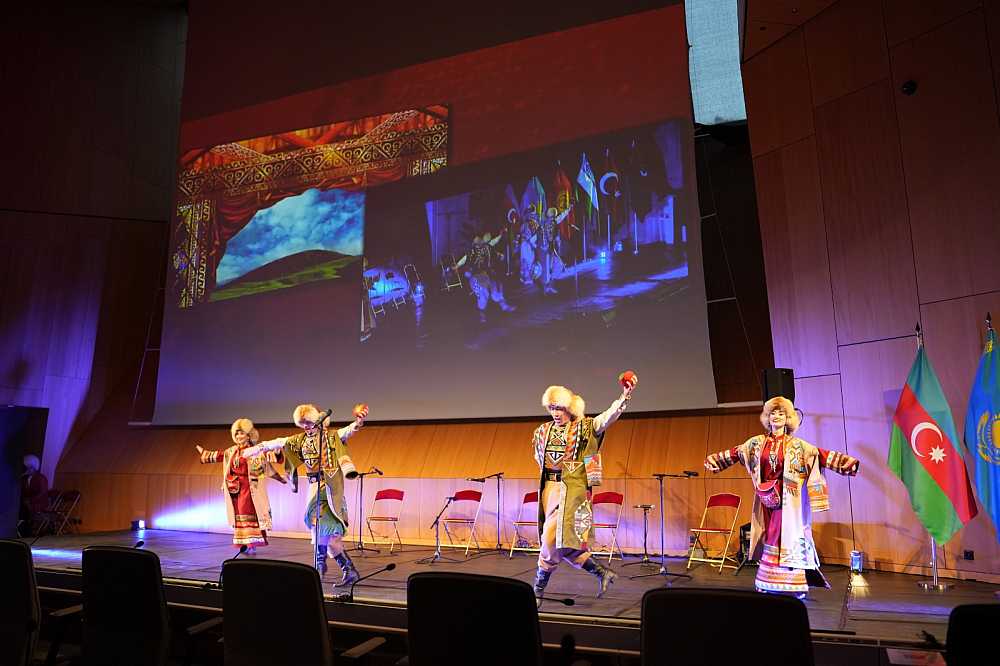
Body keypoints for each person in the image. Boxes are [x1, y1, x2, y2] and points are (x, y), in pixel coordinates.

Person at [703, 396, 860, 597]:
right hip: (766, 500)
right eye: (773, 413)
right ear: (767, 418)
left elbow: (819, 454)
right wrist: (716, 460)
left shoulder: (798, 445)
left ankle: (791, 584)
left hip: (789, 501)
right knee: (769, 535)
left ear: (788, 419)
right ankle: (767, 582)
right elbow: (737, 452)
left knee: (785, 537)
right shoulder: (756, 443)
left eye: (781, 413)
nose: (776, 416)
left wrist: (845, 463)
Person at [532, 374, 637, 600]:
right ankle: (602, 572)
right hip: (548, 489)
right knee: (565, 544)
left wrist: (624, 397)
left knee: (549, 541)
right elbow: (539, 458)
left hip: (570, 490)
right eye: (552, 408)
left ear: (569, 408)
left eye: (559, 408)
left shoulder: (586, 427)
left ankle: (537, 590)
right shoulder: (542, 430)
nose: (555, 413)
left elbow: (608, 417)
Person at [243, 403, 368, 586]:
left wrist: (358, 421)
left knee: (328, 534)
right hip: (314, 488)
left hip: (330, 489)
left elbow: (348, 431)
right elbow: (278, 442)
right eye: (303, 424)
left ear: (317, 421)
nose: (306, 427)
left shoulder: (331, 437)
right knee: (323, 535)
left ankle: (325, 568)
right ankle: (339, 569)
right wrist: (257, 449)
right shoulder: (300, 440)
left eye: (308, 423)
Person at [196, 419, 284, 553]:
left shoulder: (255, 451)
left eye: (241, 433)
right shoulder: (232, 451)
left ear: (249, 435)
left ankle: (251, 543)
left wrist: (277, 452)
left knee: (248, 513)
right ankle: (246, 543)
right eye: (236, 434)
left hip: (250, 488)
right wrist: (205, 454)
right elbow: (220, 455)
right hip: (235, 489)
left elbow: (271, 456)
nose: (238, 436)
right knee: (239, 515)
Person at [457, 232, 516, 323]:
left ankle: (504, 306)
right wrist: (458, 266)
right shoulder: (472, 252)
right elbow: (465, 261)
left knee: (496, 289)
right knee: (483, 293)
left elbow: (494, 244)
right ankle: (481, 314)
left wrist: (500, 255)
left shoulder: (488, 248)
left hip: (487, 276)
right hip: (475, 278)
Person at [19, 454, 49, 536]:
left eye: (30, 467)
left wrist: (30, 500)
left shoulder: (41, 478)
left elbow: (42, 493)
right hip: (28, 502)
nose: (28, 470)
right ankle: (23, 527)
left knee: (25, 508)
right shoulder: (25, 478)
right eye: (27, 467)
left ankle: (27, 529)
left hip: (39, 502)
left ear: (34, 467)